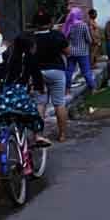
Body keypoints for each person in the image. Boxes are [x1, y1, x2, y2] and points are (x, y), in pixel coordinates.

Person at [0, 33, 47, 188]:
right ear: (30, 47)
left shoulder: (7, 58)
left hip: (2, 101)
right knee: (34, 118)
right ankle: (37, 137)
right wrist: (40, 88)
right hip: (20, 100)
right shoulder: (29, 59)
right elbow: (37, 78)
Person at [34, 11, 71, 142]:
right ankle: (62, 135)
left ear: (36, 24)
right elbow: (68, 52)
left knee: (40, 104)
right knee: (59, 103)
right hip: (56, 71)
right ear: (50, 22)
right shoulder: (57, 35)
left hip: (38, 73)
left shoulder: (32, 38)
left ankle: (38, 135)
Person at [62, 7, 95, 96]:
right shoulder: (83, 25)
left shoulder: (69, 25)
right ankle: (92, 88)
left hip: (71, 52)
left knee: (69, 71)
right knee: (86, 71)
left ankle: (67, 89)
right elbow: (88, 39)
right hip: (83, 52)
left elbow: (66, 38)